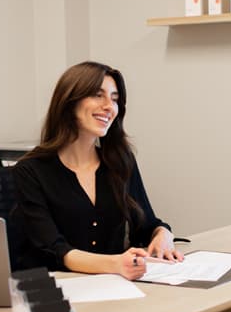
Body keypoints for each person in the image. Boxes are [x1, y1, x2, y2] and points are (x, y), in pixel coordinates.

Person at [11, 61, 183, 279]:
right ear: (69, 101)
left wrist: (163, 235)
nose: (109, 106)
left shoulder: (120, 162)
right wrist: (115, 263)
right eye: (97, 95)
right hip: (55, 287)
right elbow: (54, 248)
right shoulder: (30, 171)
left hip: (113, 284)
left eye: (115, 99)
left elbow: (146, 225)